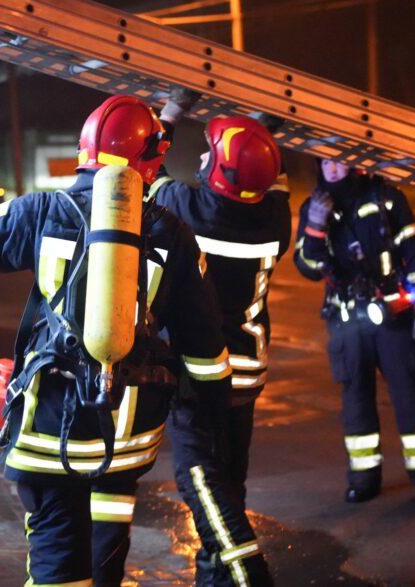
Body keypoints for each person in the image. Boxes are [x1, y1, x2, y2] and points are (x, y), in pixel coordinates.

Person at [0, 94, 248, 586]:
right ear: (150, 161)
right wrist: (212, 418)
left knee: (58, 559)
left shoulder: (44, 211)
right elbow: (204, 349)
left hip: (51, 435)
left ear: (84, 153)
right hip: (128, 439)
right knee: (109, 535)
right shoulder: (172, 234)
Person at [151, 91, 289, 586]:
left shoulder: (184, 207)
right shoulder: (275, 219)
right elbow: (266, 176)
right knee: (229, 484)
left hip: (202, 376)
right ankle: (217, 581)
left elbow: (147, 172)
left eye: (209, 155)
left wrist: (171, 115)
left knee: (201, 483)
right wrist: (258, 132)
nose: (201, 160)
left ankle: (250, 575)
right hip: (247, 374)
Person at [294, 159, 415, 505]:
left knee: (409, 396)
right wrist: (315, 226)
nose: (333, 168)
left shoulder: (386, 198)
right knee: (356, 402)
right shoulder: (314, 208)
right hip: (347, 322)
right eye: (325, 161)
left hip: (394, 317)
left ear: (356, 161)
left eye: (340, 159)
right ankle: (363, 479)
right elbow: (308, 268)